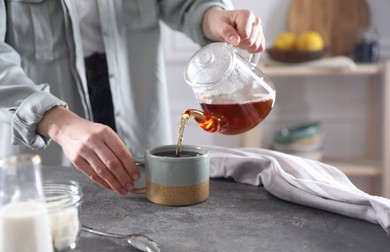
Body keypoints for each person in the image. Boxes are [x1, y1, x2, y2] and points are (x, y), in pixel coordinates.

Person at [0, 0, 265, 195]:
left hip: (138, 104)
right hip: (42, 122)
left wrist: (215, 16)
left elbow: (186, 5)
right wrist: (60, 123)